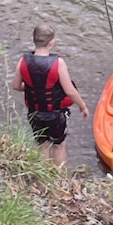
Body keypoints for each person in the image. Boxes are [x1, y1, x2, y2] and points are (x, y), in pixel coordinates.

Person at [12, 22, 89, 167]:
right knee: (58, 145)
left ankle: (44, 181)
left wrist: (34, 89)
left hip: (34, 112)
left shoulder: (23, 61)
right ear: (52, 43)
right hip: (55, 114)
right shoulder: (58, 63)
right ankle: (58, 180)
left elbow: (16, 86)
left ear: (32, 39)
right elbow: (70, 91)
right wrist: (83, 106)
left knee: (42, 145)